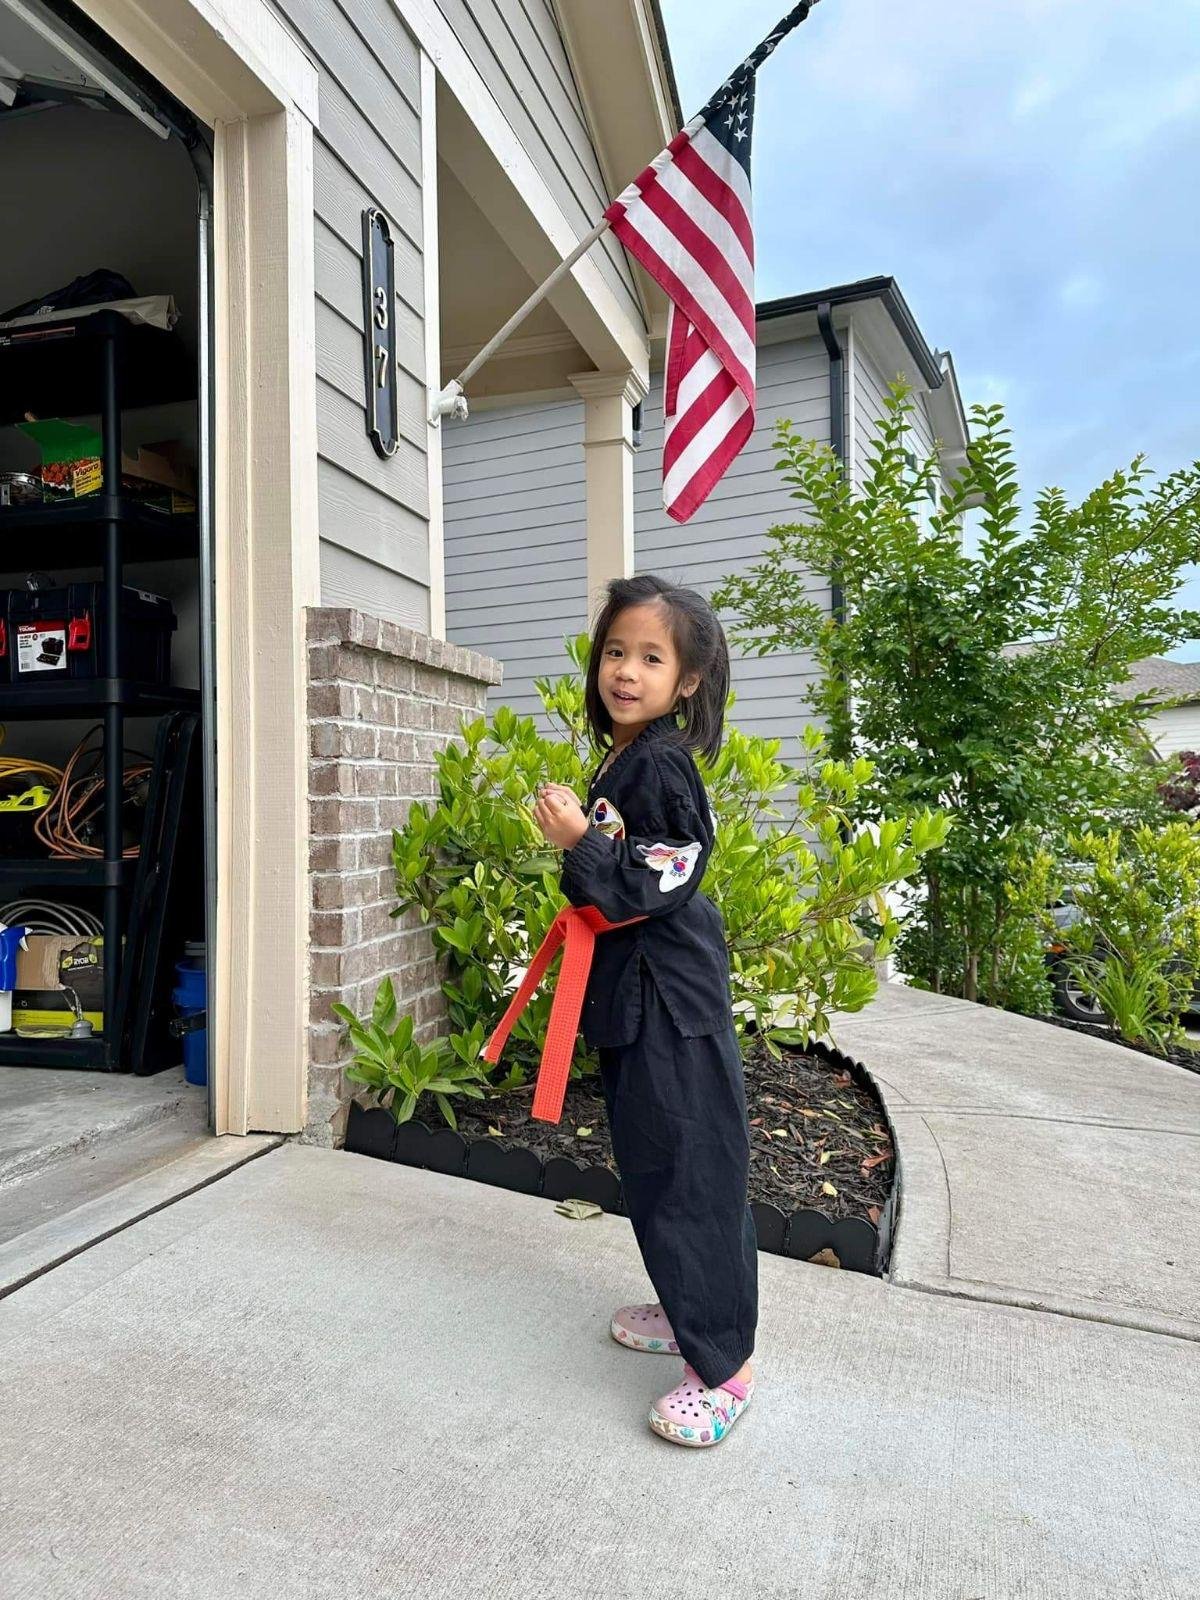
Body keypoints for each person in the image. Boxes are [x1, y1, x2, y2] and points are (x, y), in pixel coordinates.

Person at [531, 573, 758, 1449]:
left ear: (688, 679)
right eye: (616, 652)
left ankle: (724, 1367)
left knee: (691, 1172)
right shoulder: (630, 756)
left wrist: (579, 843)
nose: (627, 671)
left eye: (652, 658)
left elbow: (664, 876)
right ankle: (685, 1303)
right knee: (660, 1164)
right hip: (641, 992)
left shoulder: (660, 762)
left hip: (670, 998)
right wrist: (585, 837)